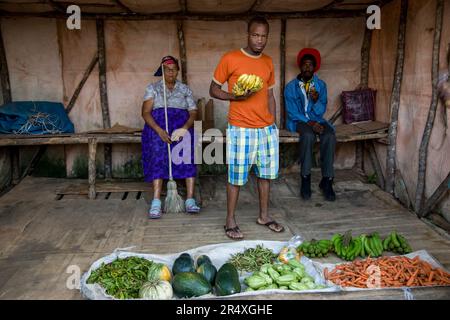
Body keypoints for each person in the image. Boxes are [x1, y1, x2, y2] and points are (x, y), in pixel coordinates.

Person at [209, 16, 285, 240]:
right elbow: (213, 89)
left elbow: (269, 94)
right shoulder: (230, 58)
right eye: (255, 35)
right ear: (248, 34)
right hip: (241, 127)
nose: (259, 40)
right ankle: (230, 220)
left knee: (266, 174)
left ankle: (264, 216)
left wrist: (274, 122)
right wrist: (235, 95)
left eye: (263, 36)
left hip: (266, 129)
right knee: (236, 176)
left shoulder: (268, 61)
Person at [141, 55, 201, 218]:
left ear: (177, 72)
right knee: (158, 153)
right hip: (158, 128)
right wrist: (159, 131)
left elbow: (193, 112)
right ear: (162, 71)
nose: (170, 72)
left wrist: (184, 128)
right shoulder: (153, 88)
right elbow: (145, 113)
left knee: (188, 152)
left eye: (173, 69)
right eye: (167, 70)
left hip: (181, 127)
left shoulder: (184, 89)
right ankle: (156, 202)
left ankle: (189, 199)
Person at [284, 48, 336, 202]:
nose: (307, 67)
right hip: (299, 121)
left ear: (315, 67)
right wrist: (310, 123)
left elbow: (320, 111)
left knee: (329, 136)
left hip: (317, 120)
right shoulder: (291, 87)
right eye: (305, 64)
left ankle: (327, 180)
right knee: (307, 135)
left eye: (311, 65)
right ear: (300, 66)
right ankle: (305, 178)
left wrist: (316, 99)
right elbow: (292, 112)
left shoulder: (320, 85)